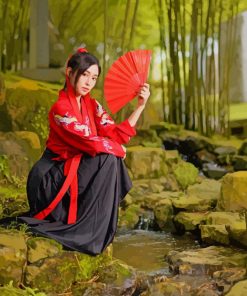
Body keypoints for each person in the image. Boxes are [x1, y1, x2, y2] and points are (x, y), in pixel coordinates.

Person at [18, 48, 150, 255]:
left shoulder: (92, 105)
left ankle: (93, 229)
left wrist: (140, 106)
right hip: (51, 178)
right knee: (109, 158)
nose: (89, 82)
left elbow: (114, 134)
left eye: (94, 77)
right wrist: (117, 150)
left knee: (111, 158)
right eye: (85, 75)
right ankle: (85, 231)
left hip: (73, 169)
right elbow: (90, 142)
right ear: (69, 73)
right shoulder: (60, 108)